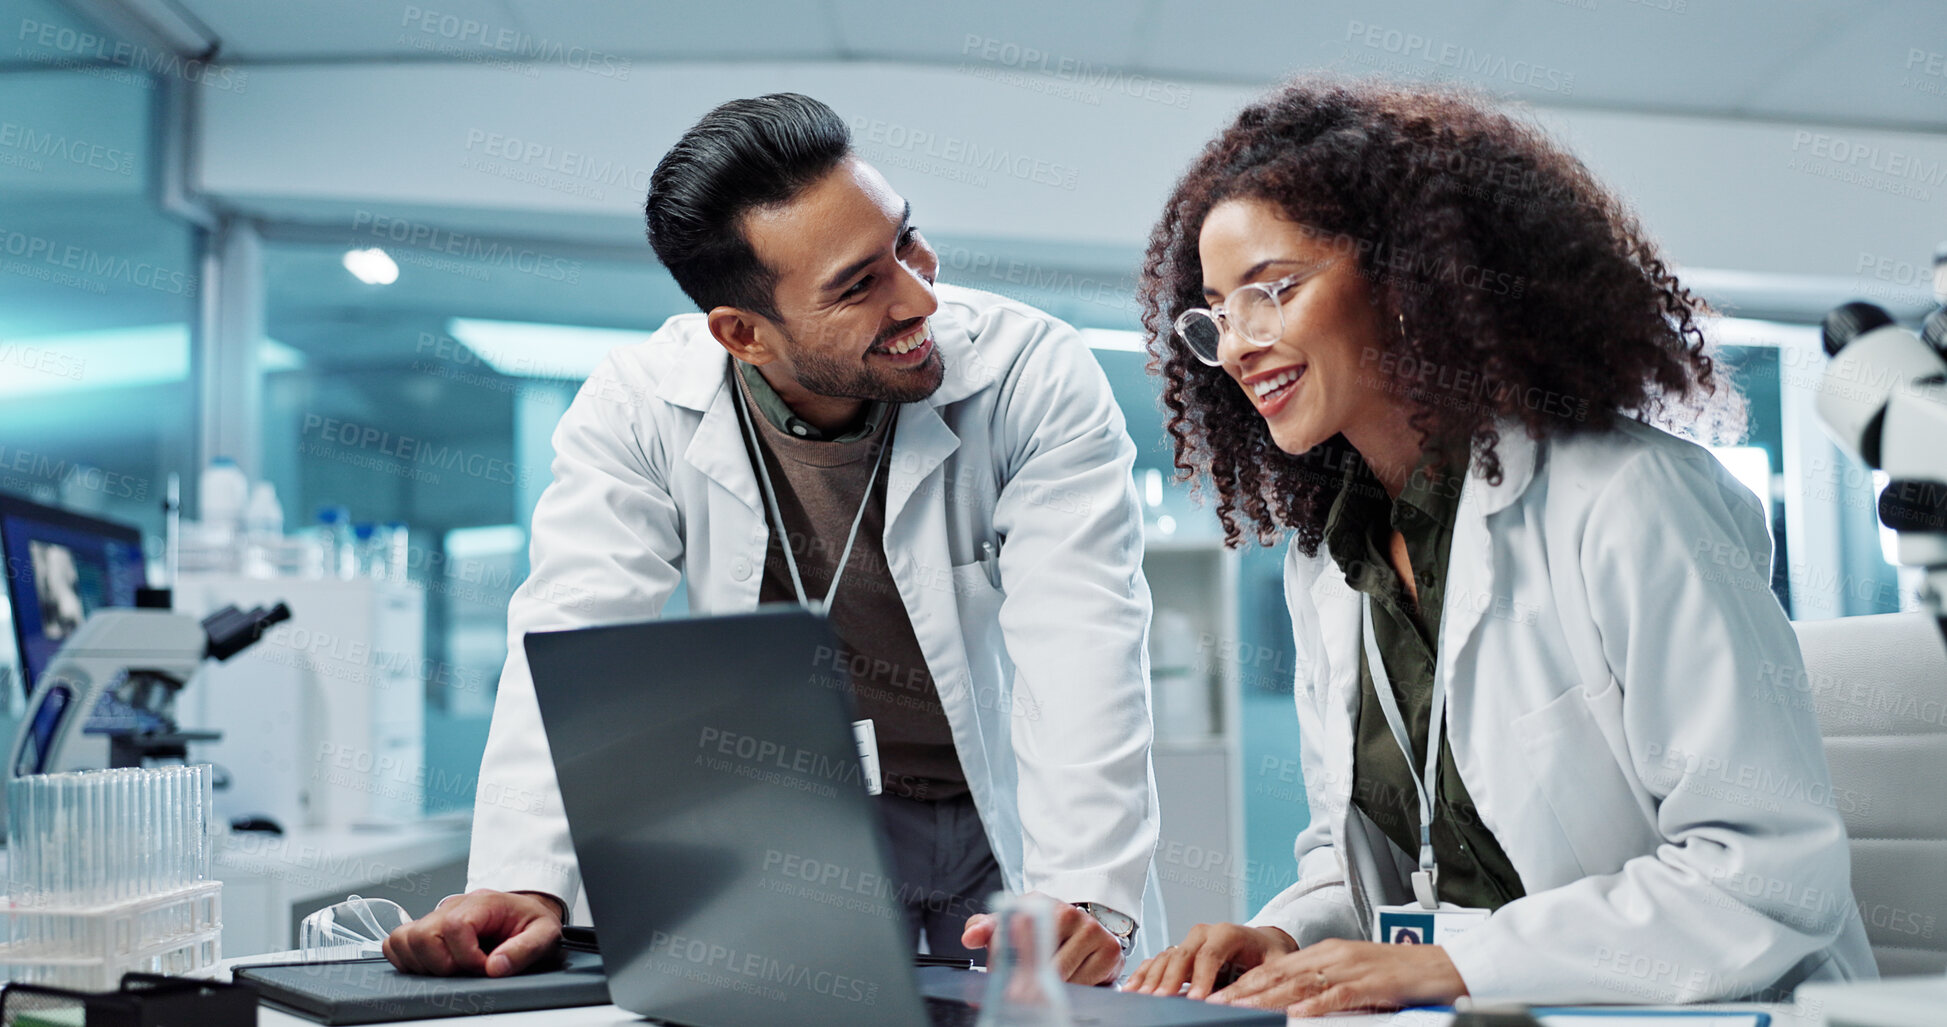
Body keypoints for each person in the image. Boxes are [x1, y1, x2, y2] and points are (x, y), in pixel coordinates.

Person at [1123, 77, 1877, 1014]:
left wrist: (1459, 963)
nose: (1238, 343)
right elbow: (1374, 873)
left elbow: (1762, 874)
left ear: (1409, 276)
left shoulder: (1627, 500)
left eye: (1272, 290)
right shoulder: (1332, 563)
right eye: (1217, 312)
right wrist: (1289, 935)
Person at [382, 93, 1161, 985]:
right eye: (860, 283)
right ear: (744, 333)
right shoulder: (640, 404)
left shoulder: (1029, 374)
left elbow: (1082, 642)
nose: (919, 294)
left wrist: (1084, 891)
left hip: (1013, 814)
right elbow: (568, 635)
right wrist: (524, 875)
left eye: (905, 240)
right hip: (805, 827)